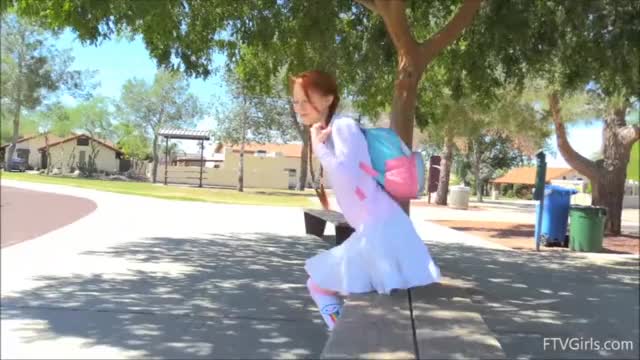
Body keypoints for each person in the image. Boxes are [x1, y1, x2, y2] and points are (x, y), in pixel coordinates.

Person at [291, 70, 441, 331]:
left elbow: (346, 174)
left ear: (328, 99)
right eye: (295, 101)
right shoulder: (333, 130)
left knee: (319, 285)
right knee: (347, 294)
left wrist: (318, 148)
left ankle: (342, 337)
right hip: (377, 229)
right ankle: (344, 336)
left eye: (306, 99)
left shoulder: (343, 127)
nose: (300, 107)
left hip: (381, 230)